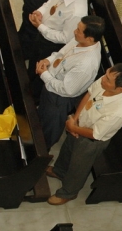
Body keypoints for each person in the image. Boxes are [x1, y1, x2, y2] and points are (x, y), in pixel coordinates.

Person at [46, 64, 122, 205]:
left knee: (79, 166)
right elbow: (89, 95)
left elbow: (95, 134)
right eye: (106, 74)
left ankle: (69, 192)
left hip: (91, 142)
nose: (103, 79)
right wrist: (75, 120)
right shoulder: (105, 82)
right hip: (79, 124)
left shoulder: (119, 111)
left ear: (119, 89)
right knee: (67, 149)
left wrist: (73, 128)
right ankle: (59, 171)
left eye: (108, 79)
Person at [26, 0, 98, 96]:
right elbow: (51, 3)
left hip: (50, 44)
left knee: (40, 71)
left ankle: (31, 94)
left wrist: (41, 27)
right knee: (33, 62)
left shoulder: (77, 12)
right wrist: (40, 12)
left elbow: (65, 38)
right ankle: (26, 80)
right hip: (42, 30)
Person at [36, 16, 105, 150]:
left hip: (58, 99)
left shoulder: (86, 65)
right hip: (51, 83)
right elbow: (61, 53)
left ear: (90, 39)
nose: (74, 31)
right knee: (40, 117)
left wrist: (44, 75)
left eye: (79, 30)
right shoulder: (81, 39)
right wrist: (48, 60)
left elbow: (66, 90)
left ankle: (40, 153)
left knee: (48, 130)